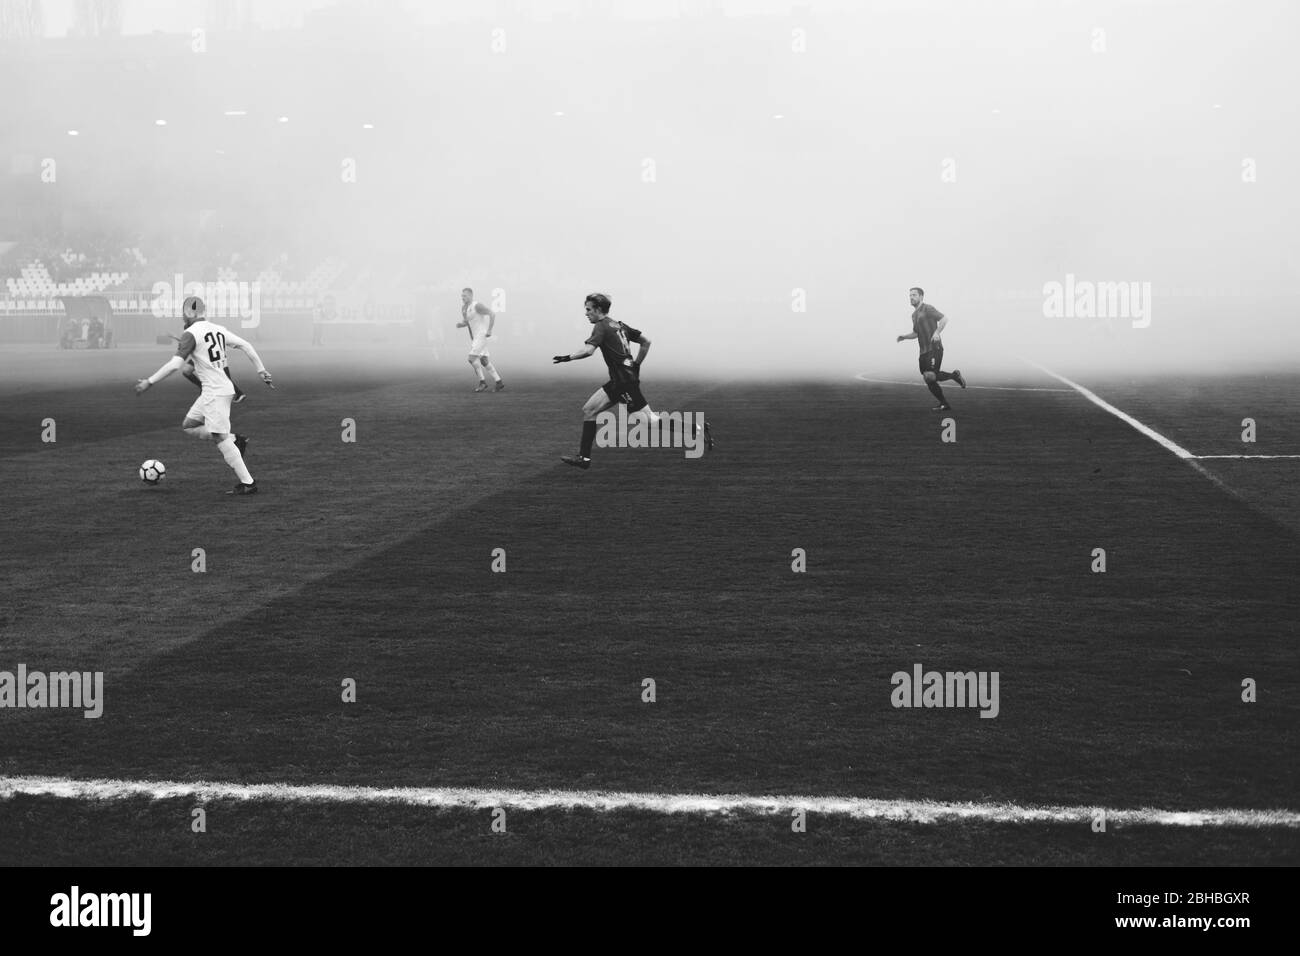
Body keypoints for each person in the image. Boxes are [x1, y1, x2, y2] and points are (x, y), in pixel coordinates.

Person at [552, 292, 709, 469]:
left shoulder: (601, 326)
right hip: (618, 382)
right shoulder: (619, 325)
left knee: (649, 420)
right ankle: (584, 458)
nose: (586, 313)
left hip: (625, 383)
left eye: (588, 310)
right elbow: (646, 342)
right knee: (589, 409)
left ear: (598, 309)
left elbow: (588, 351)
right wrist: (636, 365)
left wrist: (568, 357)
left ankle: (695, 429)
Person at [134, 296, 274, 495]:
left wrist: (149, 381)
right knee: (189, 425)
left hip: (215, 391)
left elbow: (175, 365)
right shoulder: (218, 329)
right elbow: (246, 345)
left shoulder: (190, 333)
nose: (183, 316)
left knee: (219, 437)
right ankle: (236, 440)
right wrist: (261, 370)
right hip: (216, 389)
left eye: (184, 312)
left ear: (190, 312)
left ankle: (248, 483)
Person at [896, 286, 966, 410]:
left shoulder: (927, 308)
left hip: (934, 347)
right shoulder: (914, 315)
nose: (911, 297)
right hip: (923, 352)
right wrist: (905, 337)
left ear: (921, 296)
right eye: (910, 295)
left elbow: (944, 319)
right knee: (929, 378)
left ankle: (952, 384)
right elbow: (916, 333)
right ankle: (946, 399)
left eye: (914, 295)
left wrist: (937, 332)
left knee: (930, 375)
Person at [456, 287, 504, 392]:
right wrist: (461, 324)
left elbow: (492, 314)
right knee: (484, 360)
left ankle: (482, 382)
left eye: (465, 295)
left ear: (471, 295)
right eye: (462, 296)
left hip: (481, 336)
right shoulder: (464, 308)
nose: (462, 297)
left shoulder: (477, 306)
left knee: (471, 358)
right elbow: (467, 322)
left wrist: (490, 330)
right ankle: (499, 382)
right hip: (475, 338)